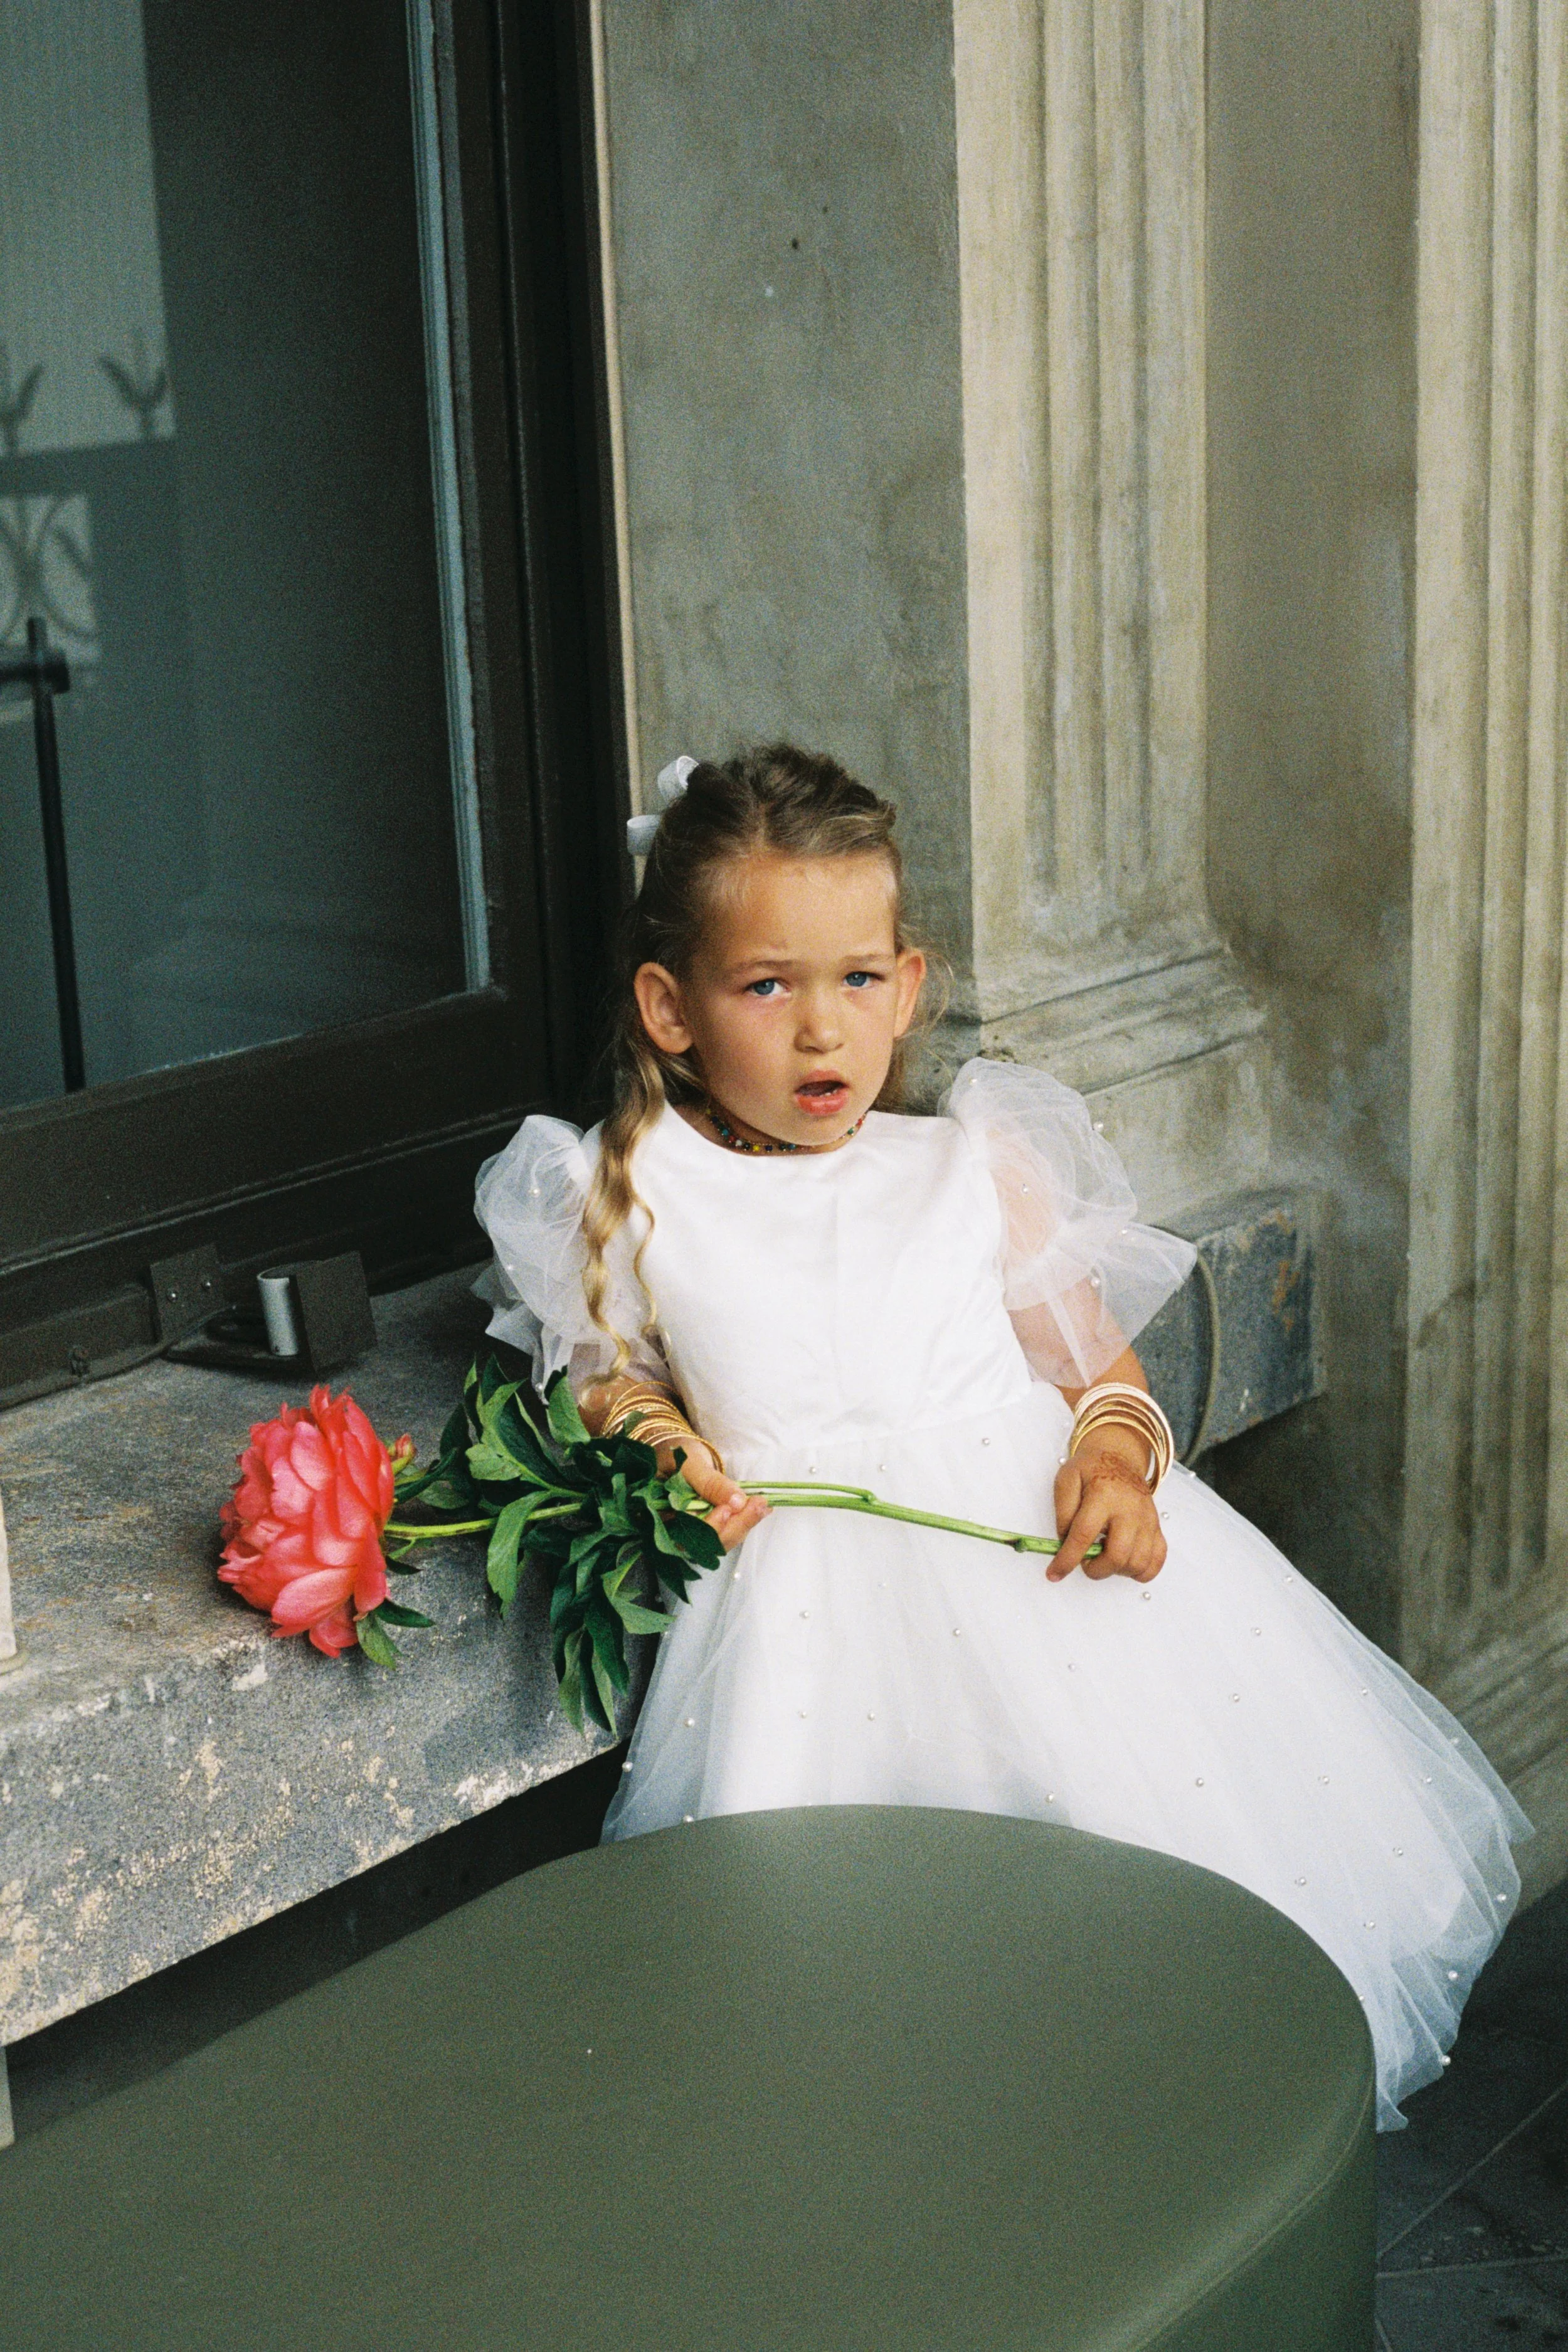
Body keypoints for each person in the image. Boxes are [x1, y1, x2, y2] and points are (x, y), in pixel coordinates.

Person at [475, 742, 1528, 2129]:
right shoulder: (620, 1190)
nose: (820, 1032)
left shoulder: (971, 1164)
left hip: (1041, 1583)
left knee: (1111, 1909)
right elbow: (604, 1376)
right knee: (867, 1989)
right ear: (669, 1007)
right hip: (807, 1628)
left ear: (907, 986)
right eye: (765, 985)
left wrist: (1112, 1460)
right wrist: (660, 1440)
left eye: (857, 980)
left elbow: (1104, 1377)